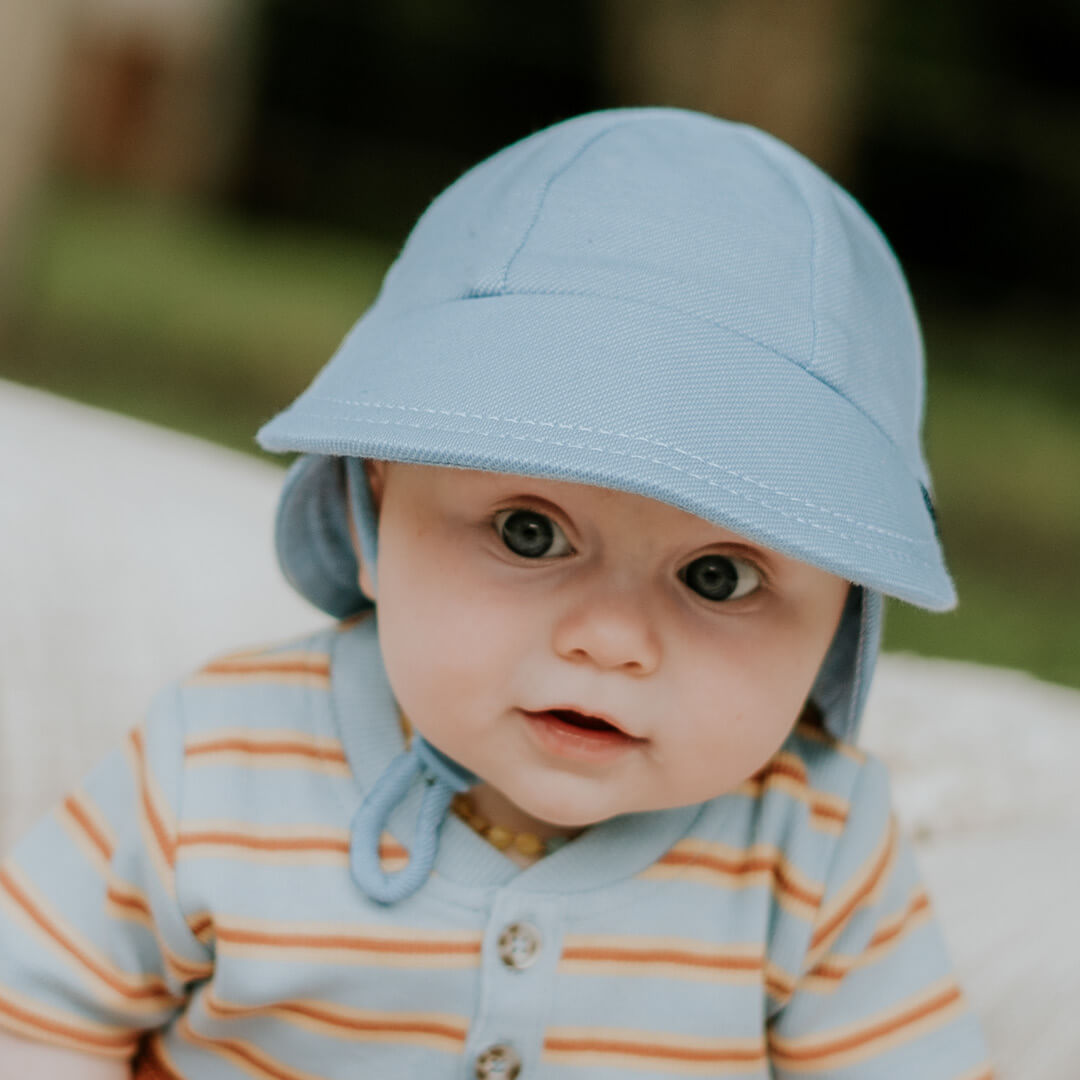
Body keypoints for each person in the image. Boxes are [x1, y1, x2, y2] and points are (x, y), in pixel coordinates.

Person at [0, 108, 994, 1079]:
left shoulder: (812, 848)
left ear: (840, 619)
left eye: (718, 576)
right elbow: (31, 1017)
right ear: (370, 507)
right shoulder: (218, 764)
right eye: (530, 532)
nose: (611, 640)